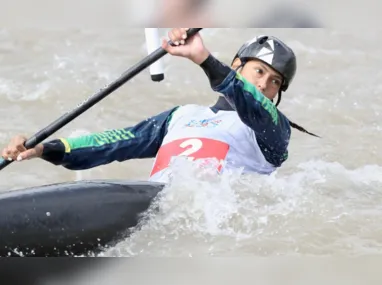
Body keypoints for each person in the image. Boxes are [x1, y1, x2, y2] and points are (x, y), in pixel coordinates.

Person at [1, 28, 318, 182]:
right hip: (151, 207)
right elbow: (112, 144)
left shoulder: (274, 128)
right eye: (259, 71)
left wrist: (203, 58)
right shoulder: (180, 116)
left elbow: (248, 101)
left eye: (276, 81)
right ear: (237, 65)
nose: (264, 84)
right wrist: (44, 149)